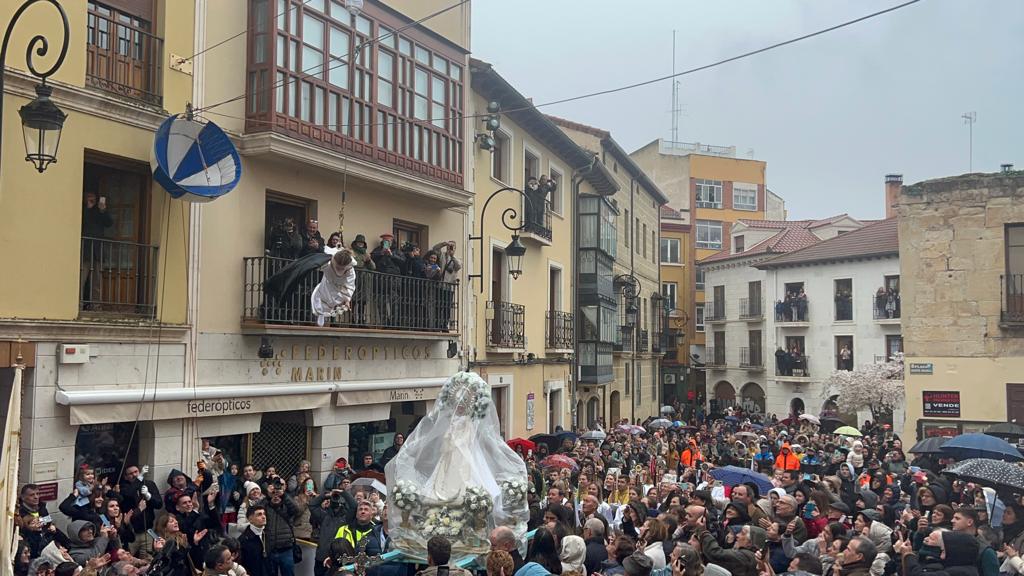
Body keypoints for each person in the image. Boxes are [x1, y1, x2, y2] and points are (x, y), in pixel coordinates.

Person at [311, 489, 357, 576]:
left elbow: (354, 506)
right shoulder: (324, 515)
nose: (334, 500)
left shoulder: (346, 517)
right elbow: (312, 505)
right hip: (321, 558)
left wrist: (343, 493)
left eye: (336, 498)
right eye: (333, 498)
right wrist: (326, 495)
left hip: (338, 561)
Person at [262, 476, 298, 576]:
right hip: (269, 548)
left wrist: (284, 495)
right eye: (276, 485)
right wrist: (268, 496)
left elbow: (296, 510)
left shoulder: (287, 499)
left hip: (286, 548)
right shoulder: (266, 502)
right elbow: (255, 511)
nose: (278, 488)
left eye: (281, 485)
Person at [310, 249, 355, 327]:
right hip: (327, 283)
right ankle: (320, 313)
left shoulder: (350, 271)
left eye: (342, 268)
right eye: (338, 267)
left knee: (334, 301)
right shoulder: (327, 263)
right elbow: (315, 265)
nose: (339, 270)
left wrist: (347, 300)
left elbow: (350, 285)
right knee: (320, 296)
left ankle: (325, 314)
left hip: (339, 287)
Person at [239, 505, 274, 576]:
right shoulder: (243, 540)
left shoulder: (268, 535)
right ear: (250, 519)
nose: (264, 517)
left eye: (264, 514)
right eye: (259, 514)